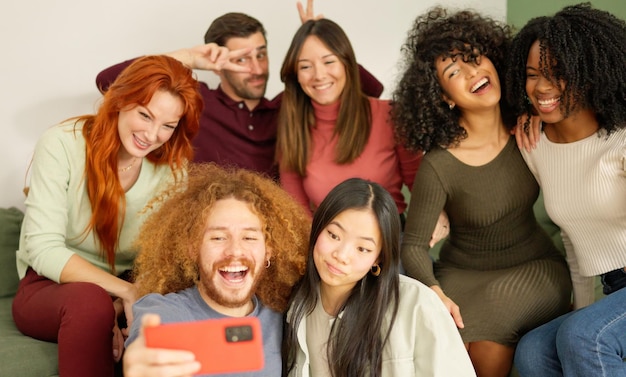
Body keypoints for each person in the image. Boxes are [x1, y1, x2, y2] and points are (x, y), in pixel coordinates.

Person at [391, 8, 572, 377]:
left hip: (534, 266)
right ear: (445, 98)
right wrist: (434, 290)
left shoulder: (531, 127)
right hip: (461, 271)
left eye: (475, 57)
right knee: (448, 338)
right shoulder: (439, 164)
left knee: (488, 335)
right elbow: (412, 245)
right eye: (454, 72)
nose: (473, 71)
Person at [12, 55, 203, 377]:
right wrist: (124, 294)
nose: (153, 134)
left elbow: (161, 256)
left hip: (130, 284)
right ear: (120, 100)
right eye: (145, 115)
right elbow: (43, 249)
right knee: (89, 303)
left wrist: (122, 303)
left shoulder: (171, 168)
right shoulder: (62, 143)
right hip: (51, 286)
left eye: (168, 126)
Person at [95, 0, 383, 179]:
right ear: (218, 65)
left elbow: (371, 91)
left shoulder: (290, 105)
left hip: (275, 237)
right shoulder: (196, 101)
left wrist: (320, 43)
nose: (257, 69)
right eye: (241, 59)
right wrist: (189, 58)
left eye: (261, 54)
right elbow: (109, 82)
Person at [504, 4, 626, 376]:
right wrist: (581, 308)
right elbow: (573, 238)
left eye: (558, 73)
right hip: (613, 288)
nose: (542, 87)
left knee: (583, 336)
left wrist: (582, 324)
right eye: (532, 74)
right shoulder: (535, 146)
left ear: (590, 74)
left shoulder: (621, 143)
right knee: (534, 349)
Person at [122, 163, 310, 377]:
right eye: (218, 238)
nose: (235, 251)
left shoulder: (284, 318)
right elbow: (149, 349)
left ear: (268, 251)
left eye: (249, 237)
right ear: (193, 248)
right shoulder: (165, 314)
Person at [282, 177, 476, 376]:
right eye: (333, 235)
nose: (341, 255)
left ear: (378, 259)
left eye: (363, 248)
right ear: (318, 228)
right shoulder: (295, 305)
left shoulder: (418, 305)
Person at [277, 18, 421, 222]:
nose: (319, 75)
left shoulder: (390, 115)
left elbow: (421, 185)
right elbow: (297, 212)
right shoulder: (293, 130)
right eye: (306, 66)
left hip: (390, 238)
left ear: (347, 64)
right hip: (328, 243)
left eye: (328, 62)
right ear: (296, 75)